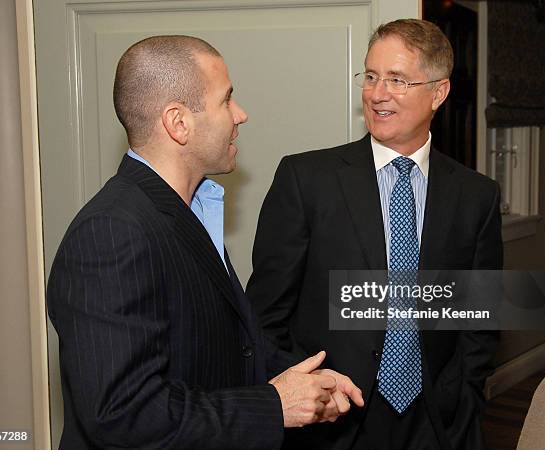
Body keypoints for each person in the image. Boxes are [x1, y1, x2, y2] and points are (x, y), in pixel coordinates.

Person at [47, 35, 363, 450]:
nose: (241, 114)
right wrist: (273, 405)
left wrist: (305, 379)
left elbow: (222, 345)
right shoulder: (111, 233)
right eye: (226, 100)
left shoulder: (193, 208)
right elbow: (123, 415)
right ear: (178, 123)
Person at [247, 19, 502, 450]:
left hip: (436, 420)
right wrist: (302, 395)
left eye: (397, 80)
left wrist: (466, 396)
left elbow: (480, 314)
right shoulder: (306, 179)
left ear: (438, 92)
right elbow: (266, 314)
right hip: (332, 420)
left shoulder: (476, 195)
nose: (377, 93)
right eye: (371, 76)